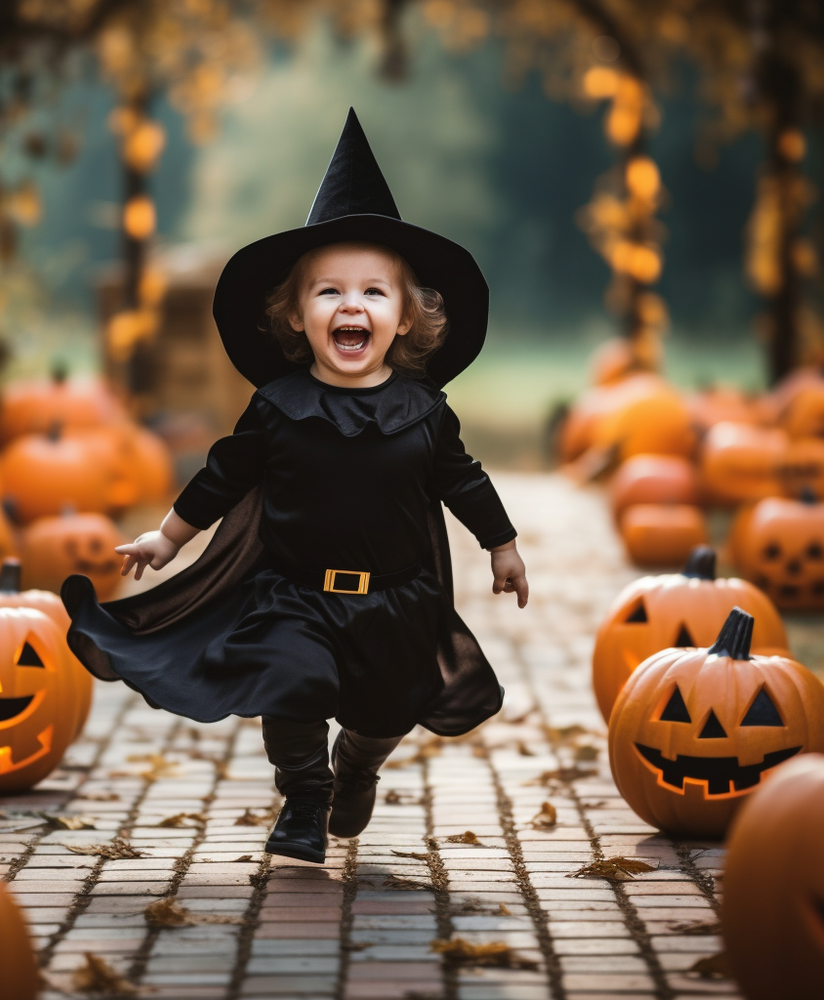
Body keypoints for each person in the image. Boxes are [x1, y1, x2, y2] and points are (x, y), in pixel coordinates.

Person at [61, 109, 528, 865]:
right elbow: (225, 474)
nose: (351, 305)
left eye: (374, 292)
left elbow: (463, 480)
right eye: (328, 292)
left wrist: (501, 546)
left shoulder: (425, 413)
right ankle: (305, 795)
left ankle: (358, 766)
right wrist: (168, 537)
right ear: (295, 315)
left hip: (396, 599)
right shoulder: (278, 407)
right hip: (295, 594)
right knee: (290, 686)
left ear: (407, 318)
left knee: (384, 712)